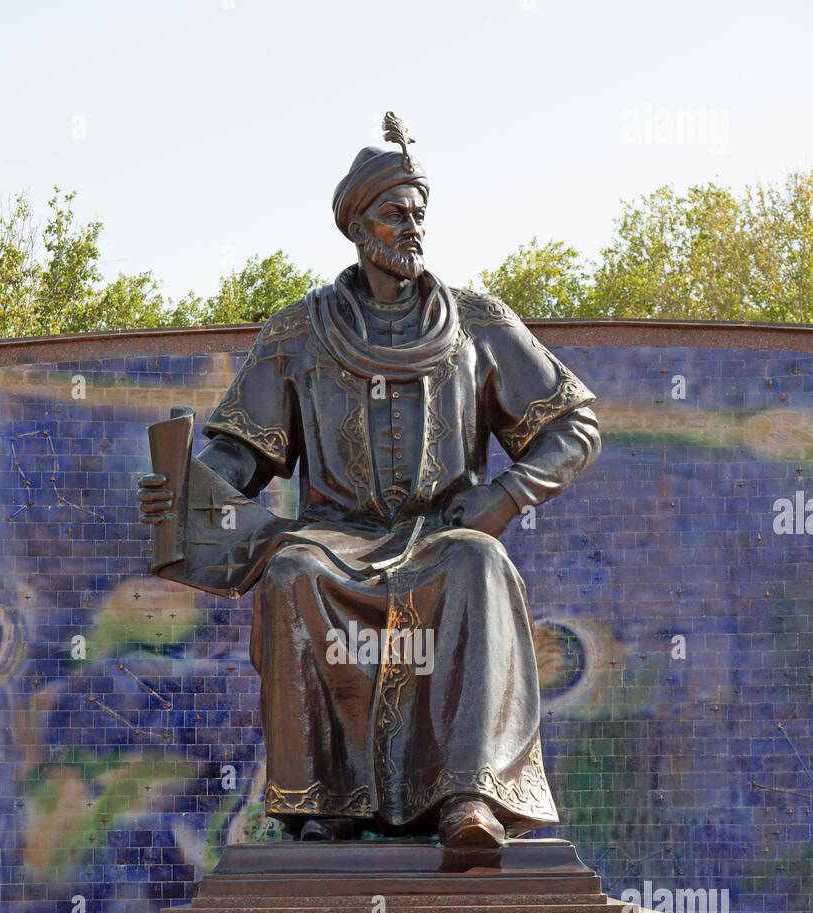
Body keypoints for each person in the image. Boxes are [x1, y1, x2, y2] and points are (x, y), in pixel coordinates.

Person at [139, 117, 600, 849]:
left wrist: (506, 496)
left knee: (480, 564)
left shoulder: (478, 322)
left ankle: (469, 800)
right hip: (335, 541)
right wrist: (190, 492)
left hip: (442, 537)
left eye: (419, 213)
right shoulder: (299, 331)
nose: (411, 228)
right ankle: (322, 804)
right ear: (358, 224)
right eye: (394, 213)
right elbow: (241, 452)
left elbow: (573, 426)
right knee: (292, 572)